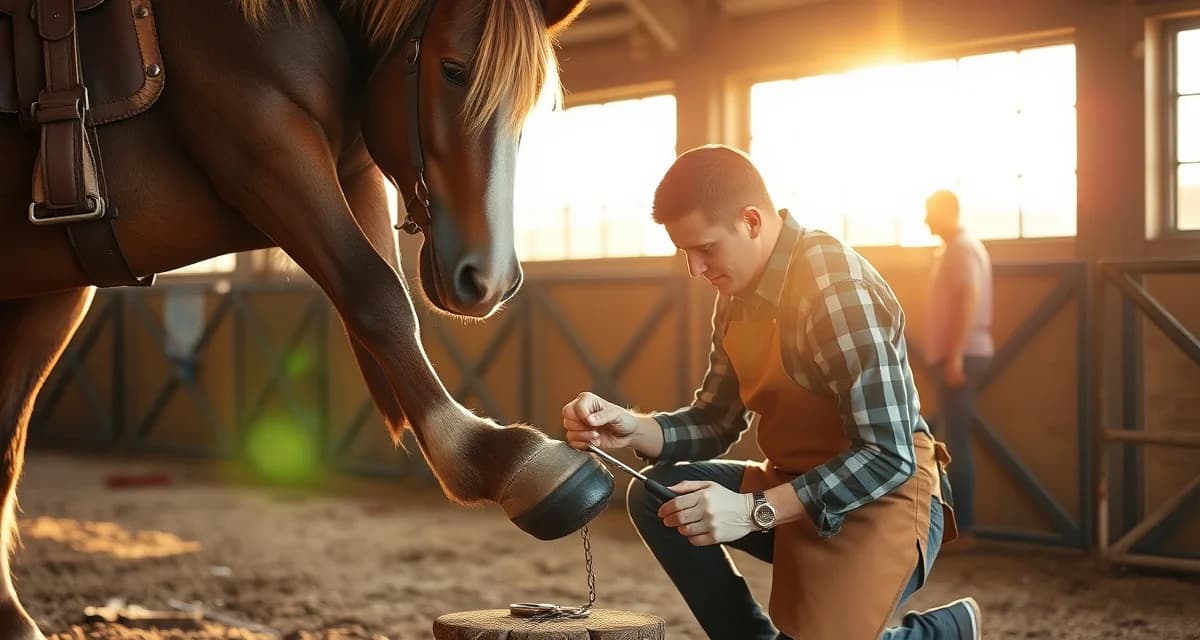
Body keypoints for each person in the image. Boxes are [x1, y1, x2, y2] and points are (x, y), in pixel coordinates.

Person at [562, 145, 979, 640]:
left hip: (883, 501)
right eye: (685, 253)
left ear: (752, 222)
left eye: (706, 248)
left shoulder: (835, 289)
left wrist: (751, 510)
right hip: (793, 486)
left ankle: (942, 633)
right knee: (656, 496)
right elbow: (715, 421)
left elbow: (888, 456)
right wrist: (634, 427)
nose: (695, 269)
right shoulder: (735, 296)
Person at [923, 189, 993, 553]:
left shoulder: (962, 250)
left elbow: (968, 296)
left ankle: (963, 529)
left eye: (930, 213)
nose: (925, 221)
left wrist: (954, 357)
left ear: (948, 212)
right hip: (960, 355)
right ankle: (957, 527)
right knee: (951, 436)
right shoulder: (958, 249)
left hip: (961, 357)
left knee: (956, 443)